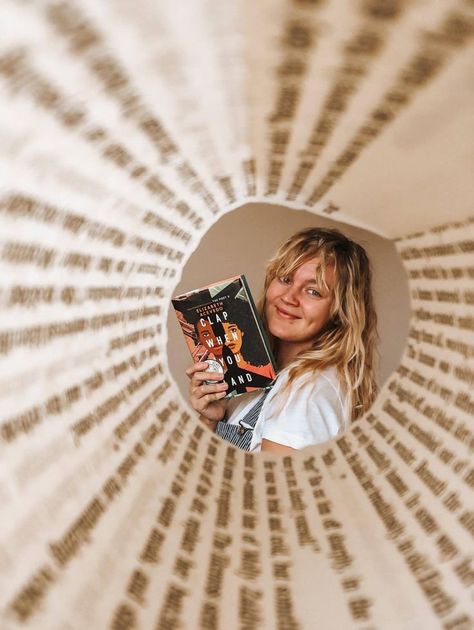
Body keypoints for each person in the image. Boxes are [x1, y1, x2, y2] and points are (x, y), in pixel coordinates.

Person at [186, 227, 378, 454]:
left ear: (340, 311)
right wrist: (211, 420)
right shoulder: (263, 376)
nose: (288, 297)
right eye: (285, 279)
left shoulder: (307, 394)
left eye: (313, 291)